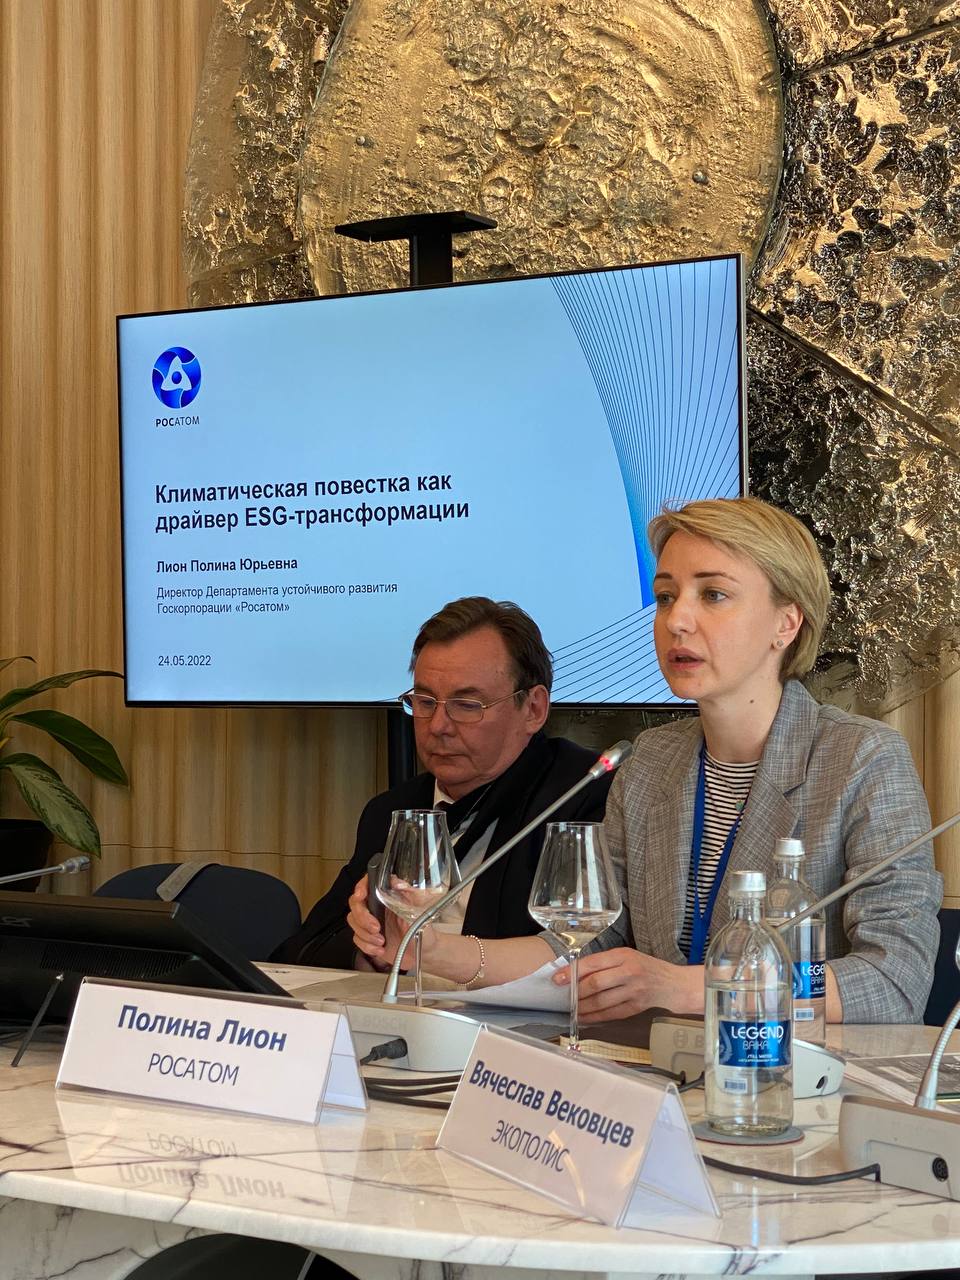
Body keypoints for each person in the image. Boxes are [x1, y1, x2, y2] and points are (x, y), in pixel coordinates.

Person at [351, 499, 942, 1023]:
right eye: (665, 596)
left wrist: (688, 987)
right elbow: (587, 944)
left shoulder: (861, 760)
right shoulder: (652, 761)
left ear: (786, 623)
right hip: (657, 1068)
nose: (676, 620)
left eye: (713, 595)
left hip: (800, 1083)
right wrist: (433, 948)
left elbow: (893, 980)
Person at [280, 596, 613, 968]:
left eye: (466, 705)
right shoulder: (391, 810)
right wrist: (373, 948)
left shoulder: (585, 796)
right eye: (425, 702)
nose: (438, 726)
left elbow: (588, 954)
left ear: (533, 709)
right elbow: (302, 953)